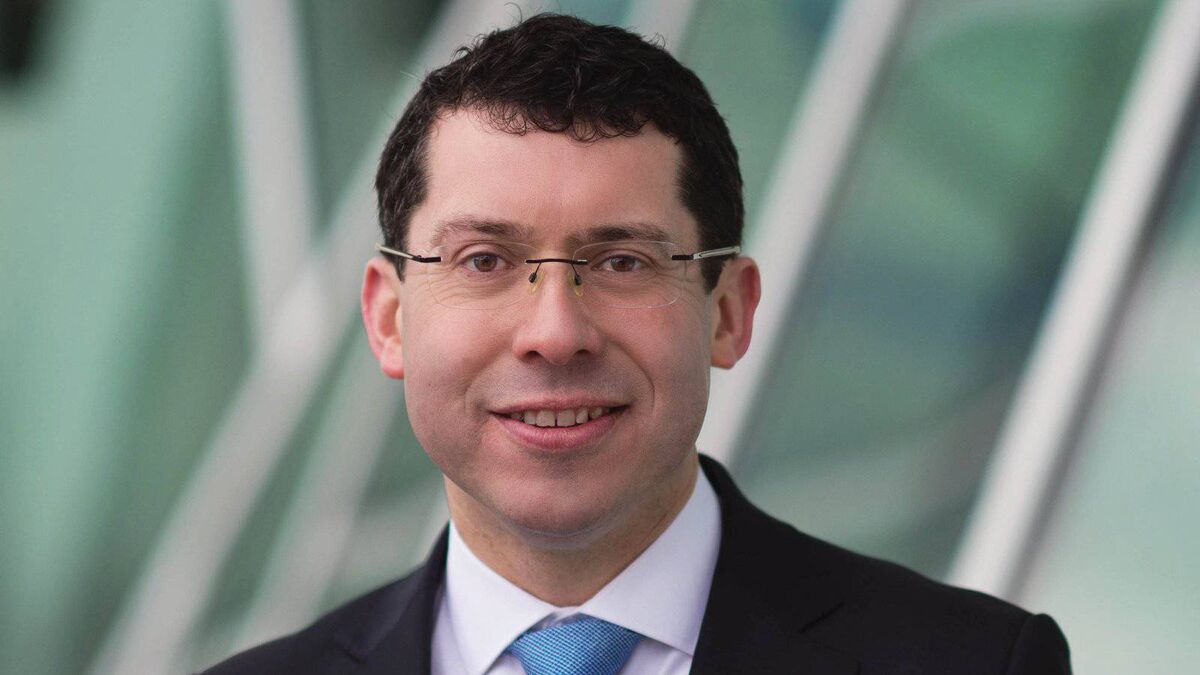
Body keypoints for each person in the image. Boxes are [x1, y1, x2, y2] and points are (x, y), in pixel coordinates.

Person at [203, 13, 1071, 675]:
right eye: (485, 260)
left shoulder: (976, 663)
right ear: (389, 317)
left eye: (621, 261)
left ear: (728, 311)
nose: (554, 332)